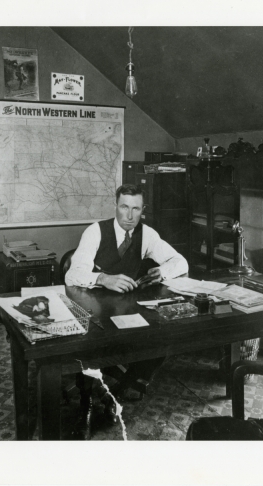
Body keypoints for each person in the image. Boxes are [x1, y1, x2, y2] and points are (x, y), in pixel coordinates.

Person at [65, 184, 189, 439]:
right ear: (116, 206)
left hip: (126, 306)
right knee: (91, 345)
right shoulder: (95, 232)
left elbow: (181, 262)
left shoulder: (147, 234)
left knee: (162, 338)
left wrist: (162, 271)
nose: (129, 215)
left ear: (142, 210)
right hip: (93, 304)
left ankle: (118, 393)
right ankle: (86, 405)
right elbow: (72, 275)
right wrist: (102, 278)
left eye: (135, 209)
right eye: (124, 207)